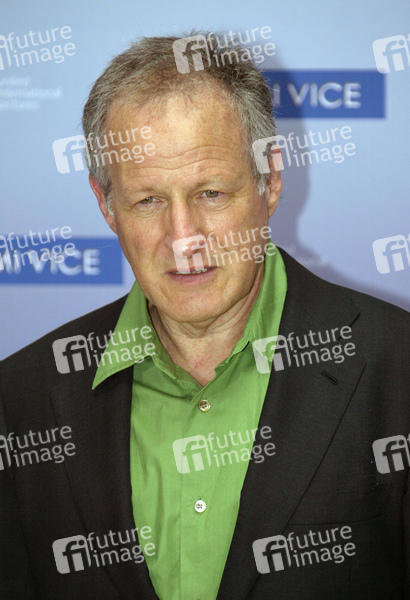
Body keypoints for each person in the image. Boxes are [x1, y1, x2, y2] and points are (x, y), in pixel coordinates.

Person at [0, 33, 409, 600]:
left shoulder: (397, 369)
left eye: (211, 193)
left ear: (270, 180)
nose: (183, 238)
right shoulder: (19, 398)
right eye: (148, 200)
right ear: (106, 205)